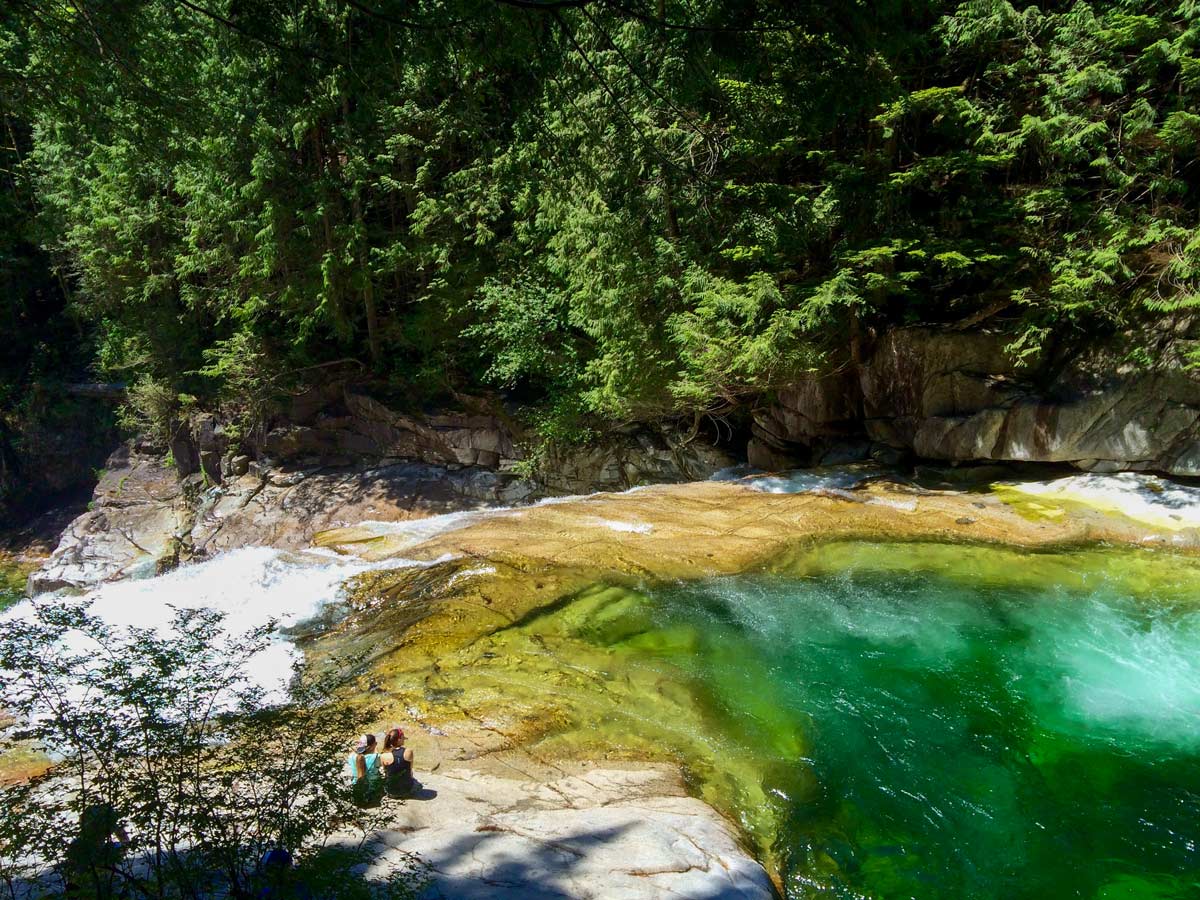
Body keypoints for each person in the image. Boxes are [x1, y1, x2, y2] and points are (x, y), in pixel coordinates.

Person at [62, 802, 130, 899]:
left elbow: (71, 873)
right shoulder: (111, 850)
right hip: (109, 894)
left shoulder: (76, 846)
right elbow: (126, 843)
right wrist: (116, 827)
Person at [345, 734, 382, 807]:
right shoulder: (376, 757)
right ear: (373, 745)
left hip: (355, 786)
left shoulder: (351, 756)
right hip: (371, 789)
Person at [380, 727, 414, 799]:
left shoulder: (383, 755)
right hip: (407, 791)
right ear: (399, 740)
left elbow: (386, 771)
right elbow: (410, 770)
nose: (404, 739)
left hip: (391, 792)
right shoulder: (409, 751)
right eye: (402, 737)